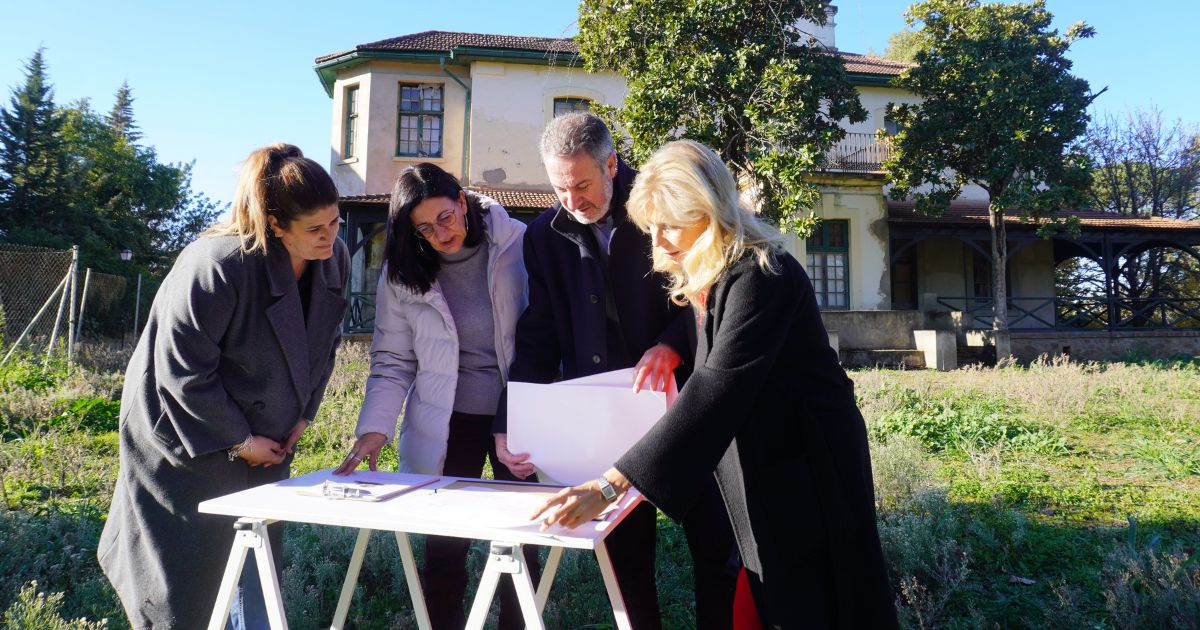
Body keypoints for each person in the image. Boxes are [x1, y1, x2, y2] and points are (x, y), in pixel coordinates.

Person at [530, 140, 899, 629]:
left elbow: (714, 388)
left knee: (817, 593)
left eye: (670, 225)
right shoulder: (712, 272)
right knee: (762, 584)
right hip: (763, 451)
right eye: (651, 226)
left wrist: (610, 484)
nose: (658, 241)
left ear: (709, 212)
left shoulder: (761, 274)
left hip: (809, 461)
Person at [493, 113, 739, 628]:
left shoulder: (661, 207)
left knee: (718, 547)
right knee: (627, 564)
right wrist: (508, 419)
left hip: (687, 401)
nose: (571, 201)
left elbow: (710, 292)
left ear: (611, 165)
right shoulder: (542, 237)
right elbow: (538, 333)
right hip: (608, 419)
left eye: (581, 185)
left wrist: (672, 344)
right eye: (559, 188)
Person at [98, 143, 349, 630]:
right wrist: (239, 440)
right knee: (183, 590)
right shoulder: (216, 263)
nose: (330, 236)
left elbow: (326, 343)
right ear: (276, 225)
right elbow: (182, 371)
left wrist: (303, 415)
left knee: (256, 571)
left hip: (268, 441)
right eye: (315, 228)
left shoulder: (332, 255)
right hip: (184, 439)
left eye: (335, 222)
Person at [332, 162, 533, 629]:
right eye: (424, 228)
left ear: (462, 201)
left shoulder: (519, 242)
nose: (440, 235)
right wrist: (375, 428)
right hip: (446, 419)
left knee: (523, 542)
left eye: (445, 217)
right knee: (444, 546)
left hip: (518, 414)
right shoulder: (402, 272)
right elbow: (392, 360)